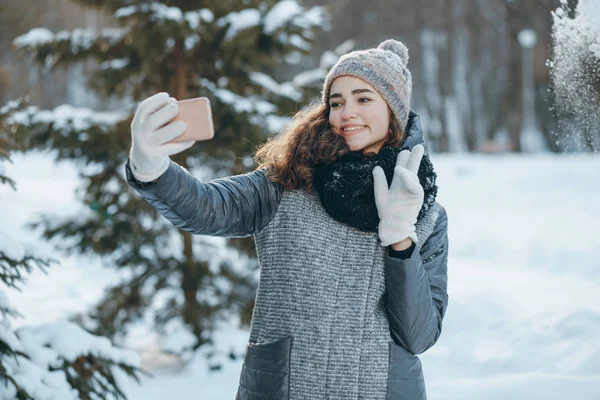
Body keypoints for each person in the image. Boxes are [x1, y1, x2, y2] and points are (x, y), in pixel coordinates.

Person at [126, 39, 449, 400]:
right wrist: (152, 168)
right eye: (336, 102)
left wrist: (401, 242)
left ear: (394, 110)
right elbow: (208, 207)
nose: (346, 113)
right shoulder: (288, 182)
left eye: (363, 99)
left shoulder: (426, 213)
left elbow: (418, 335)